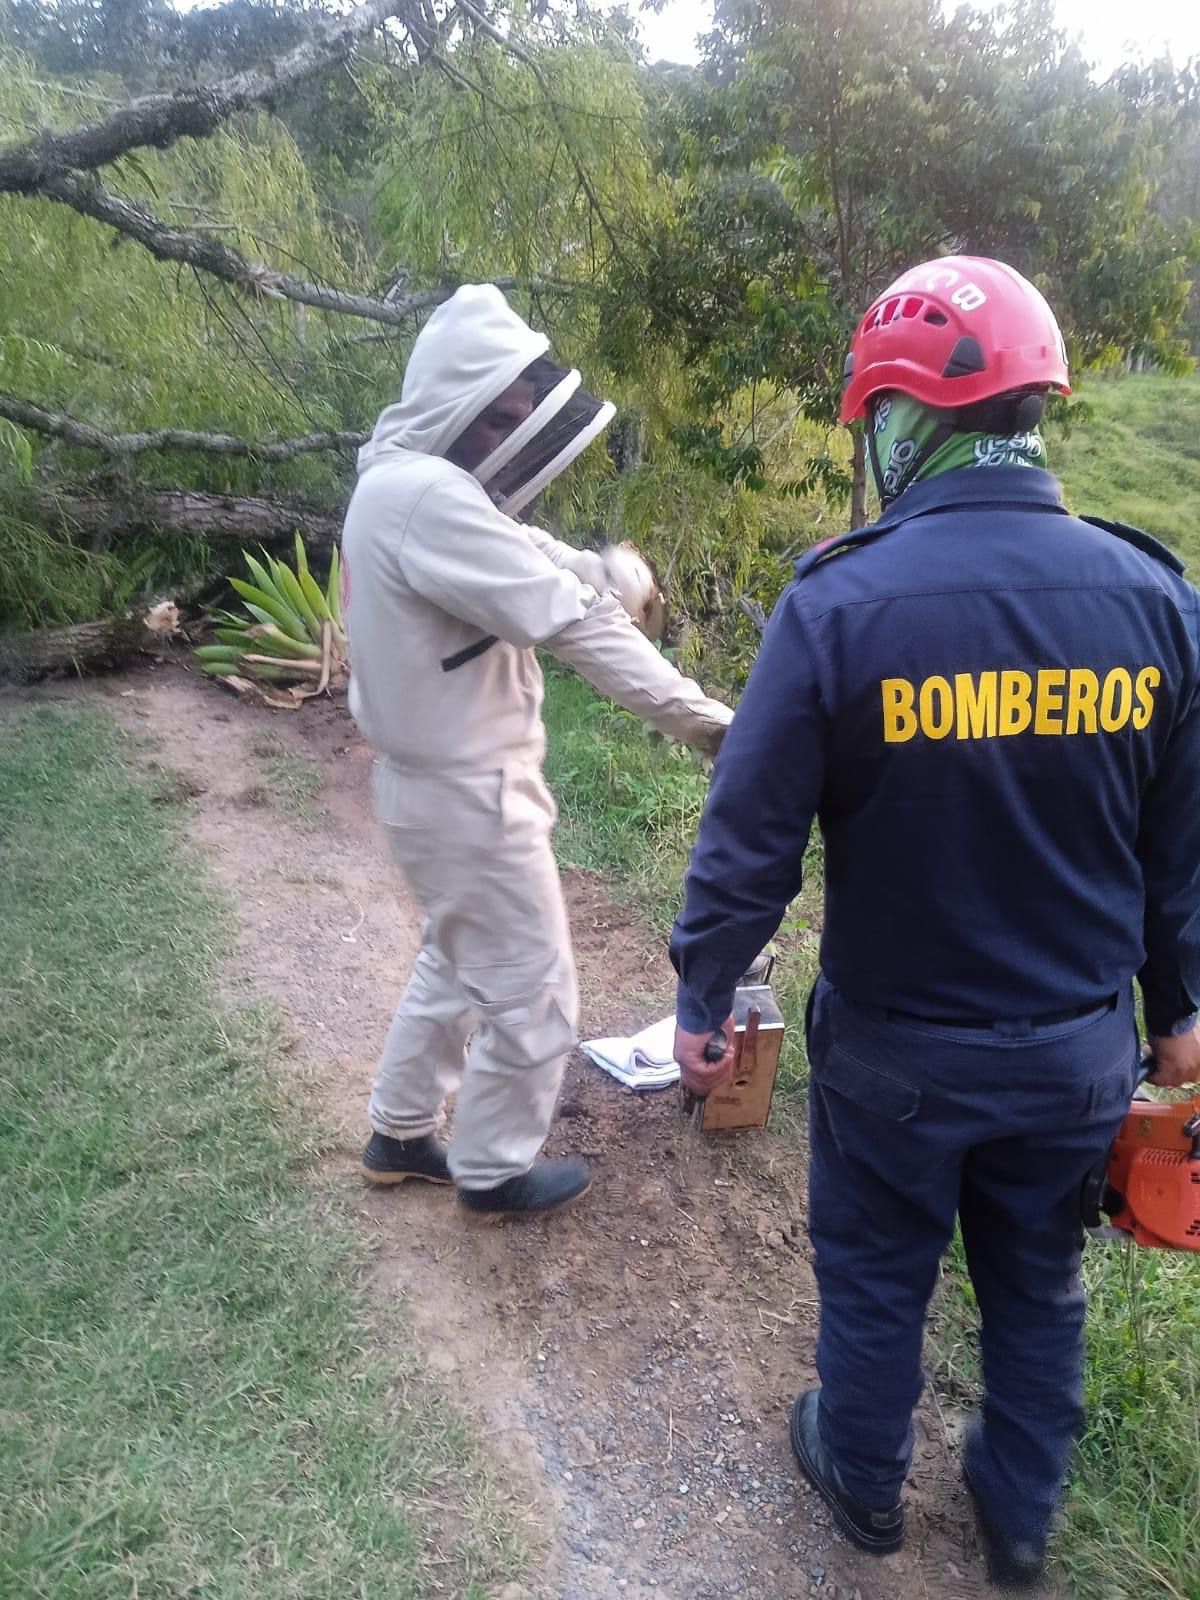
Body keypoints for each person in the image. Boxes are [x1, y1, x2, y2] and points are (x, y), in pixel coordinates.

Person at [668, 256, 1200, 1586]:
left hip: (896, 1060)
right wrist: (1185, 1009)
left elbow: (750, 837)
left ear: (905, 420)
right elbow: (1182, 852)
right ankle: (1018, 1518)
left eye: (876, 424)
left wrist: (703, 997)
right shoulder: (1157, 603)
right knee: (1036, 1283)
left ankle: (862, 1477)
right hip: (1078, 1058)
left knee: (875, 1268)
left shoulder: (840, 605)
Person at [341, 285, 731, 1220]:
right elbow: (573, 618)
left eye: (522, 417)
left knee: (457, 957)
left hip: (431, 791)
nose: (512, 436)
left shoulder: (401, 483)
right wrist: (708, 721)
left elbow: (532, 554)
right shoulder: (425, 497)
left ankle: (399, 1131)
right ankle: (491, 1169)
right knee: (539, 989)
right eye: (502, 418)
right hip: (469, 798)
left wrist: (601, 568)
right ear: (461, 408)